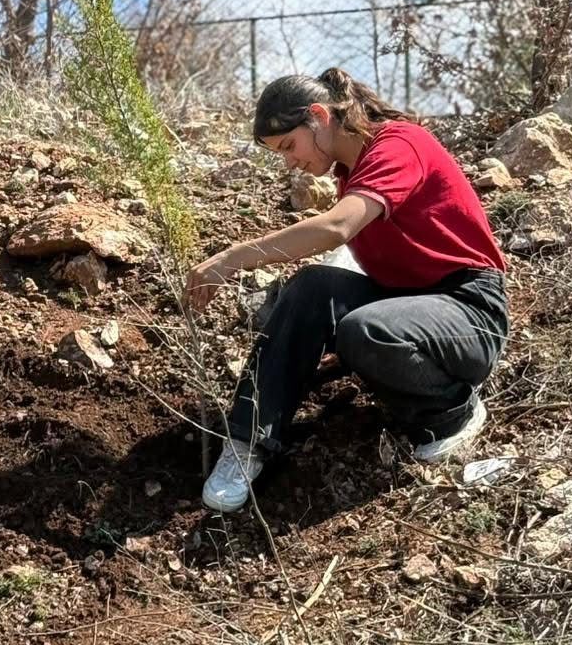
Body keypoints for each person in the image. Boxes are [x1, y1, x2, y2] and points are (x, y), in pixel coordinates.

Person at [184, 68, 508, 513]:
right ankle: (249, 439)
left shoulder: (399, 145)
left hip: (469, 312)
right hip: (407, 305)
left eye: (289, 146)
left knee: (365, 329)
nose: (290, 162)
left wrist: (234, 257)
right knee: (313, 286)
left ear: (318, 116)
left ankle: (450, 413)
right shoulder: (350, 173)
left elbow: (337, 227)